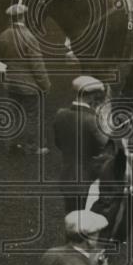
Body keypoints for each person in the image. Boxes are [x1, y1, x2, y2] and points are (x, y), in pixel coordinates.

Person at [0, 3, 51, 155]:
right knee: (32, 116)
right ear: (23, 17)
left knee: (13, 114)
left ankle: (12, 145)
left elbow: (2, 60)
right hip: (29, 85)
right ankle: (33, 147)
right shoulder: (29, 37)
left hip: (11, 82)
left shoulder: (3, 36)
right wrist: (45, 84)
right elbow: (37, 65)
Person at [54, 76, 112, 213]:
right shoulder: (92, 120)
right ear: (91, 97)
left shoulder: (60, 114)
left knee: (71, 216)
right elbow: (108, 148)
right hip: (87, 179)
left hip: (66, 176)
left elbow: (58, 144)